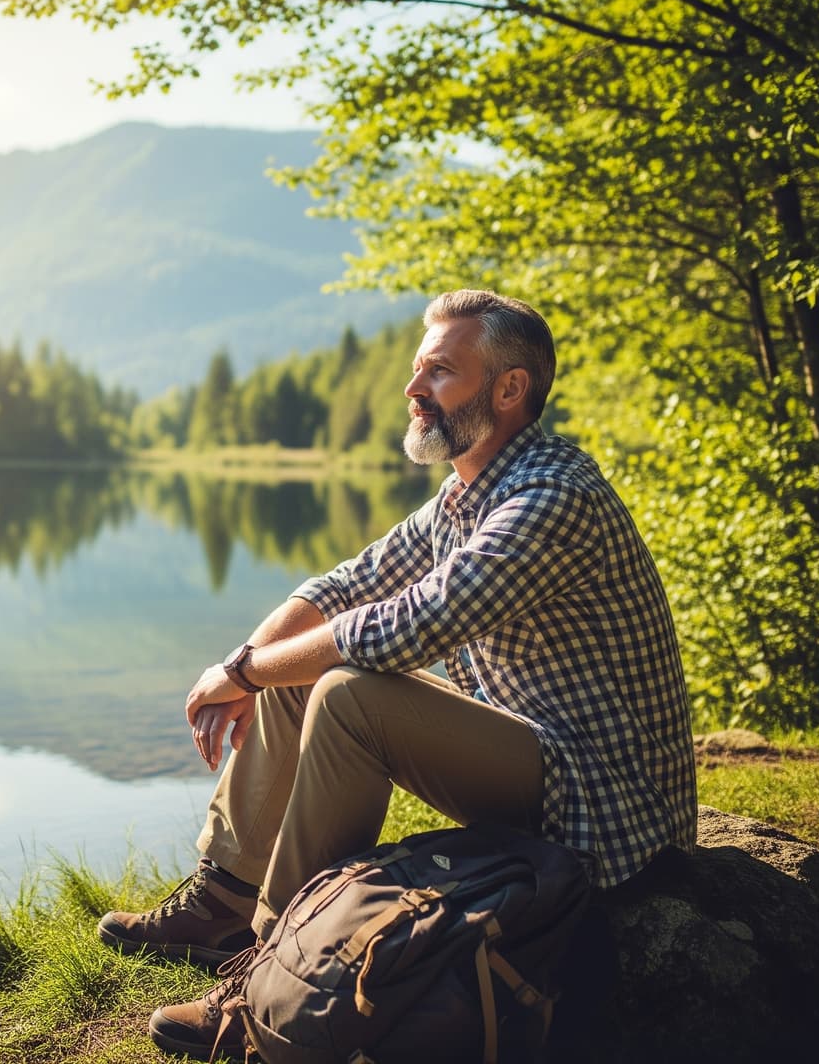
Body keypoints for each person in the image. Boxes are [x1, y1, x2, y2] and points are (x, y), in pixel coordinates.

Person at [99, 289, 698, 1061]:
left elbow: (407, 625)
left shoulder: (552, 497)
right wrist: (241, 667)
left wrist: (245, 672)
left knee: (350, 693)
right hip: (538, 750)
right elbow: (346, 586)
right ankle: (225, 897)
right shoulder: (466, 494)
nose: (414, 389)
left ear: (509, 390)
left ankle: (270, 979)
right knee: (304, 670)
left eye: (440, 372)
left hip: (602, 801)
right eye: (418, 368)